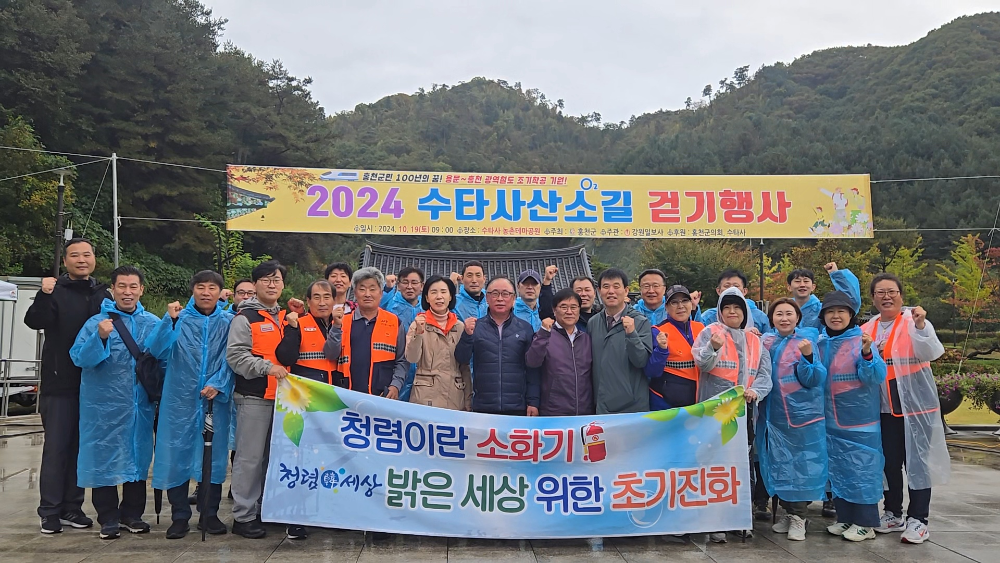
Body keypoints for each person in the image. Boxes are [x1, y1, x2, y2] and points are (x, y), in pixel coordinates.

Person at [24, 238, 108, 534]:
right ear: (66, 261)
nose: (81, 259)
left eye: (87, 254)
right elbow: (35, 321)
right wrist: (44, 294)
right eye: (75, 255)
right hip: (60, 385)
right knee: (57, 448)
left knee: (81, 449)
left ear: (94, 258)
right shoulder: (54, 291)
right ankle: (49, 510)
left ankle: (73, 507)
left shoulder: (103, 294)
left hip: (96, 387)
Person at [69, 265, 159, 540]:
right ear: (113, 289)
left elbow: (164, 359)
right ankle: (107, 517)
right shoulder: (96, 323)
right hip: (102, 406)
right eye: (122, 286)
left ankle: (132, 514)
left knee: (138, 458)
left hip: (139, 407)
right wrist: (101, 337)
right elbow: (80, 358)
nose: (128, 292)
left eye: (133, 287)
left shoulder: (153, 324)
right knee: (103, 458)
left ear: (141, 290)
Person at [146, 270, 234, 539]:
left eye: (211, 287)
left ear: (220, 292)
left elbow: (233, 358)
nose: (206, 292)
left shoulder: (229, 322)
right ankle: (179, 516)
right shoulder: (178, 319)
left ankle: (210, 514)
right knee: (176, 457)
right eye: (200, 287)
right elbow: (156, 350)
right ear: (192, 290)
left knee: (214, 458)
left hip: (214, 401)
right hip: (179, 401)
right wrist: (168, 322)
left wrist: (219, 383)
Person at [863, 272, 949, 544]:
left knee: (918, 464)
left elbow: (931, 352)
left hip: (914, 406)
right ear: (873, 298)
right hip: (882, 407)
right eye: (880, 293)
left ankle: (919, 519)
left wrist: (922, 326)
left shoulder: (914, 321)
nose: (886, 297)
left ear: (901, 294)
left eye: (891, 291)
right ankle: (892, 512)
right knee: (889, 462)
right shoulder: (868, 327)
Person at [227, 260, 304, 540]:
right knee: (249, 458)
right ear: (255, 284)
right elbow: (236, 356)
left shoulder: (285, 317)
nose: (272, 285)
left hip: (284, 400)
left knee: (272, 458)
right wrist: (266, 367)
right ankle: (243, 515)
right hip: (254, 395)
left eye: (277, 280)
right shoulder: (244, 318)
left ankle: (263, 508)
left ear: (283, 285)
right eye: (266, 280)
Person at [692, 286, 772, 543]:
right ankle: (715, 521)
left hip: (743, 413)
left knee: (742, 465)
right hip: (713, 410)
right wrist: (713, 349)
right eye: (727, 308)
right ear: (720, 311)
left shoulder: (755, 341)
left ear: (745, 311)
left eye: (737, 307)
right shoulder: (710, 333)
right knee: (714, 465)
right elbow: (702, 364)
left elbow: (764, 375)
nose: (732, 312)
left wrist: (755, 392)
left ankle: (739, 519)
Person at [817, 281, 886, 543]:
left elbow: (876, 376)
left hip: (860, 422)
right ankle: (845, 517)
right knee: (839, 469)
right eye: (830, 312)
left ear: (850, 315)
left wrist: (868, 354)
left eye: (841, 311)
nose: (836, 316)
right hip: (831, 420)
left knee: (863, 470)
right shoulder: (822, 343)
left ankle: (866, 523)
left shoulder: (861, 340)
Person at [759, 298, 827, 542]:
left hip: (800, 417)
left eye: (789, 313)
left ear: (798, 317)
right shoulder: (765, 341)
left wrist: (808, 357)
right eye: (779, 314)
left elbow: (815, 378)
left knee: (800, 465)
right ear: (772, 318)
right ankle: (789, 512)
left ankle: (799, 516)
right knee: (779, 463)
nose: (784, 318)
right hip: (771, 415)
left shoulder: (806, 342)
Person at [455, 276, 539, 416]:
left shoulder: (525, 328)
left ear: (513, 299)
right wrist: (467, 336)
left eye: (505, 294)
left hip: (517, 406)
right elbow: (462, 359)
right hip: (483, 406)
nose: (500, 298)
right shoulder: (476, 327)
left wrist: (533, 402)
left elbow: (532, 369)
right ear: (487, 298)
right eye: (495, 294)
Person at [324, 267, 408, 399]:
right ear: (355, 293)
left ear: (381, 293)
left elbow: (402, 360)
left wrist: (395, 385)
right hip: (346, 396)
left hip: (382, 398)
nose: (367, 294)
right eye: (362, 289)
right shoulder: (342, 321)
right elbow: (330, 354)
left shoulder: (395, 323)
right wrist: (336, 327)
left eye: (372, 289)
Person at [589, 268, 652, 414]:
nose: (611, 291)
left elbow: (641, 361)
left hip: (632, 408)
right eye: (606, 287)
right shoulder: (593, 323)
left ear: (626, 291)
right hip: (601, 406)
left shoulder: (640, 321)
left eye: (616, 286)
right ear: (599, 291)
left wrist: (631, 334)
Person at [405, 275, 472, 410]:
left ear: (451, 296)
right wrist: (418, 333)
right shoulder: (418, 323)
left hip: (454, 398)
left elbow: (464, 367)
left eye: (443, 292)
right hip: (424, 398)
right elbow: (412, 358)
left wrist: (468, 400)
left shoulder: (460, 327)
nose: (439, 296)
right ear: (427, 298)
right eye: (433, 292)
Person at [526, 288, 595, 416]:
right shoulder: (544, 336)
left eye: (574, 307)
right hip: (554, 411)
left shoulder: (586, 339)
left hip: (585, 412)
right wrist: (543, 334)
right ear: (554, 310)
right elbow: (532, 362)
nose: (569, 312)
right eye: (564, 307)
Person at [644, 285, 705, 410]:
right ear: (666, 307)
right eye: (674, 302)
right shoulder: (658, 331)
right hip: (665, 403)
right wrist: (661, 349)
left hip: (698, 402)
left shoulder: (701, 328)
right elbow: (651, 372)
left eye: (684, 301)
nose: (680, 306)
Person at [275, 280, 345, 386]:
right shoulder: (298, 323)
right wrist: (292, 329)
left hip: (335, 394)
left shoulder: (343, 324)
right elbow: (285, 358)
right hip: (305, 392)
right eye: (317, 298)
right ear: (308, 301)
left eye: (326, 297)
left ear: (334, 300)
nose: (322, 303)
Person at [379, 267, 424, 401]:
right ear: (398, 285)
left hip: (422, 373)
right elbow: (374, 306)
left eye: (414, 282)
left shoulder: (428, 307)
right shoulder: (390, 303)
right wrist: (387, 289)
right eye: (405, 282)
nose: (409, 287)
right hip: (395, 370)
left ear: (422, 286)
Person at [696, 269, 770, 332]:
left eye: (736, 286)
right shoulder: (709, 316)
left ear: (744, 291)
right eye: (727, 286)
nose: (732, 289)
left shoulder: (760, 317)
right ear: (718, 291)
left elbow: (768, 342)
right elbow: (696, 335)